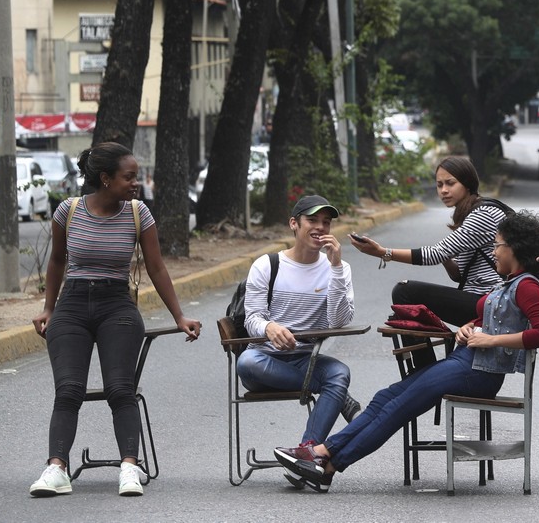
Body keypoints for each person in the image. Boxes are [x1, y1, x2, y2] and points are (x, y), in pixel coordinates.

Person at [274, 211, 539, 491]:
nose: (493, 252)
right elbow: (490, 319)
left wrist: (491, 341)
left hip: (480, 373)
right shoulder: (509, 283)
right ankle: (323, 468)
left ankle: (326, 458)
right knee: (385, 397)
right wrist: (468, 327)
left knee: (398, 407)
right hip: (464, 361)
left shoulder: (528, 286)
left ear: (515, 248)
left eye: (497, 245)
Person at [29, 142, 202, 499]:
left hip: (117, 306)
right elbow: (57, 261)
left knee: (121, 389)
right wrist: (49, 308)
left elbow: (156, 267)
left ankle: (129, 468)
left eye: (136, 177)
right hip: (72, 305)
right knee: (69, 390)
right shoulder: (69, 211)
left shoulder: (139, 213)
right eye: (129, 177)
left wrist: (179, 315)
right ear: (105, 179)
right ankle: (56, 469)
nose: (136, 183)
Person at [235, 194, 359, 462]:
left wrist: (335, 267)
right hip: (264, 360)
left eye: (326, 222)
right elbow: (252, 318)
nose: (320, 228)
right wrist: (269, 328)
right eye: (311, 220)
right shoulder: (267, 265)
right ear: (294, 223)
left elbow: (338, 321)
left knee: (339, 371)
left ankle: (307, 453)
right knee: (246, 361)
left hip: (306, 358)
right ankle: (336, 394)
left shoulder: (338, 268)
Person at [350, 157, 509, 331]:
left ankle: (422, 359)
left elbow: (434, 254)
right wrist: (446, 255)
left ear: (468, 183)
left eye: (450, 183)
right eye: (439, 185)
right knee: (407, 298)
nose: (444, 190)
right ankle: (427, 355)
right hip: (481, 299)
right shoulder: (469, 214)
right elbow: (458, 275)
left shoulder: (484, 214)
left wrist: (382, 252)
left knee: (405, 291)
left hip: (496, 300)